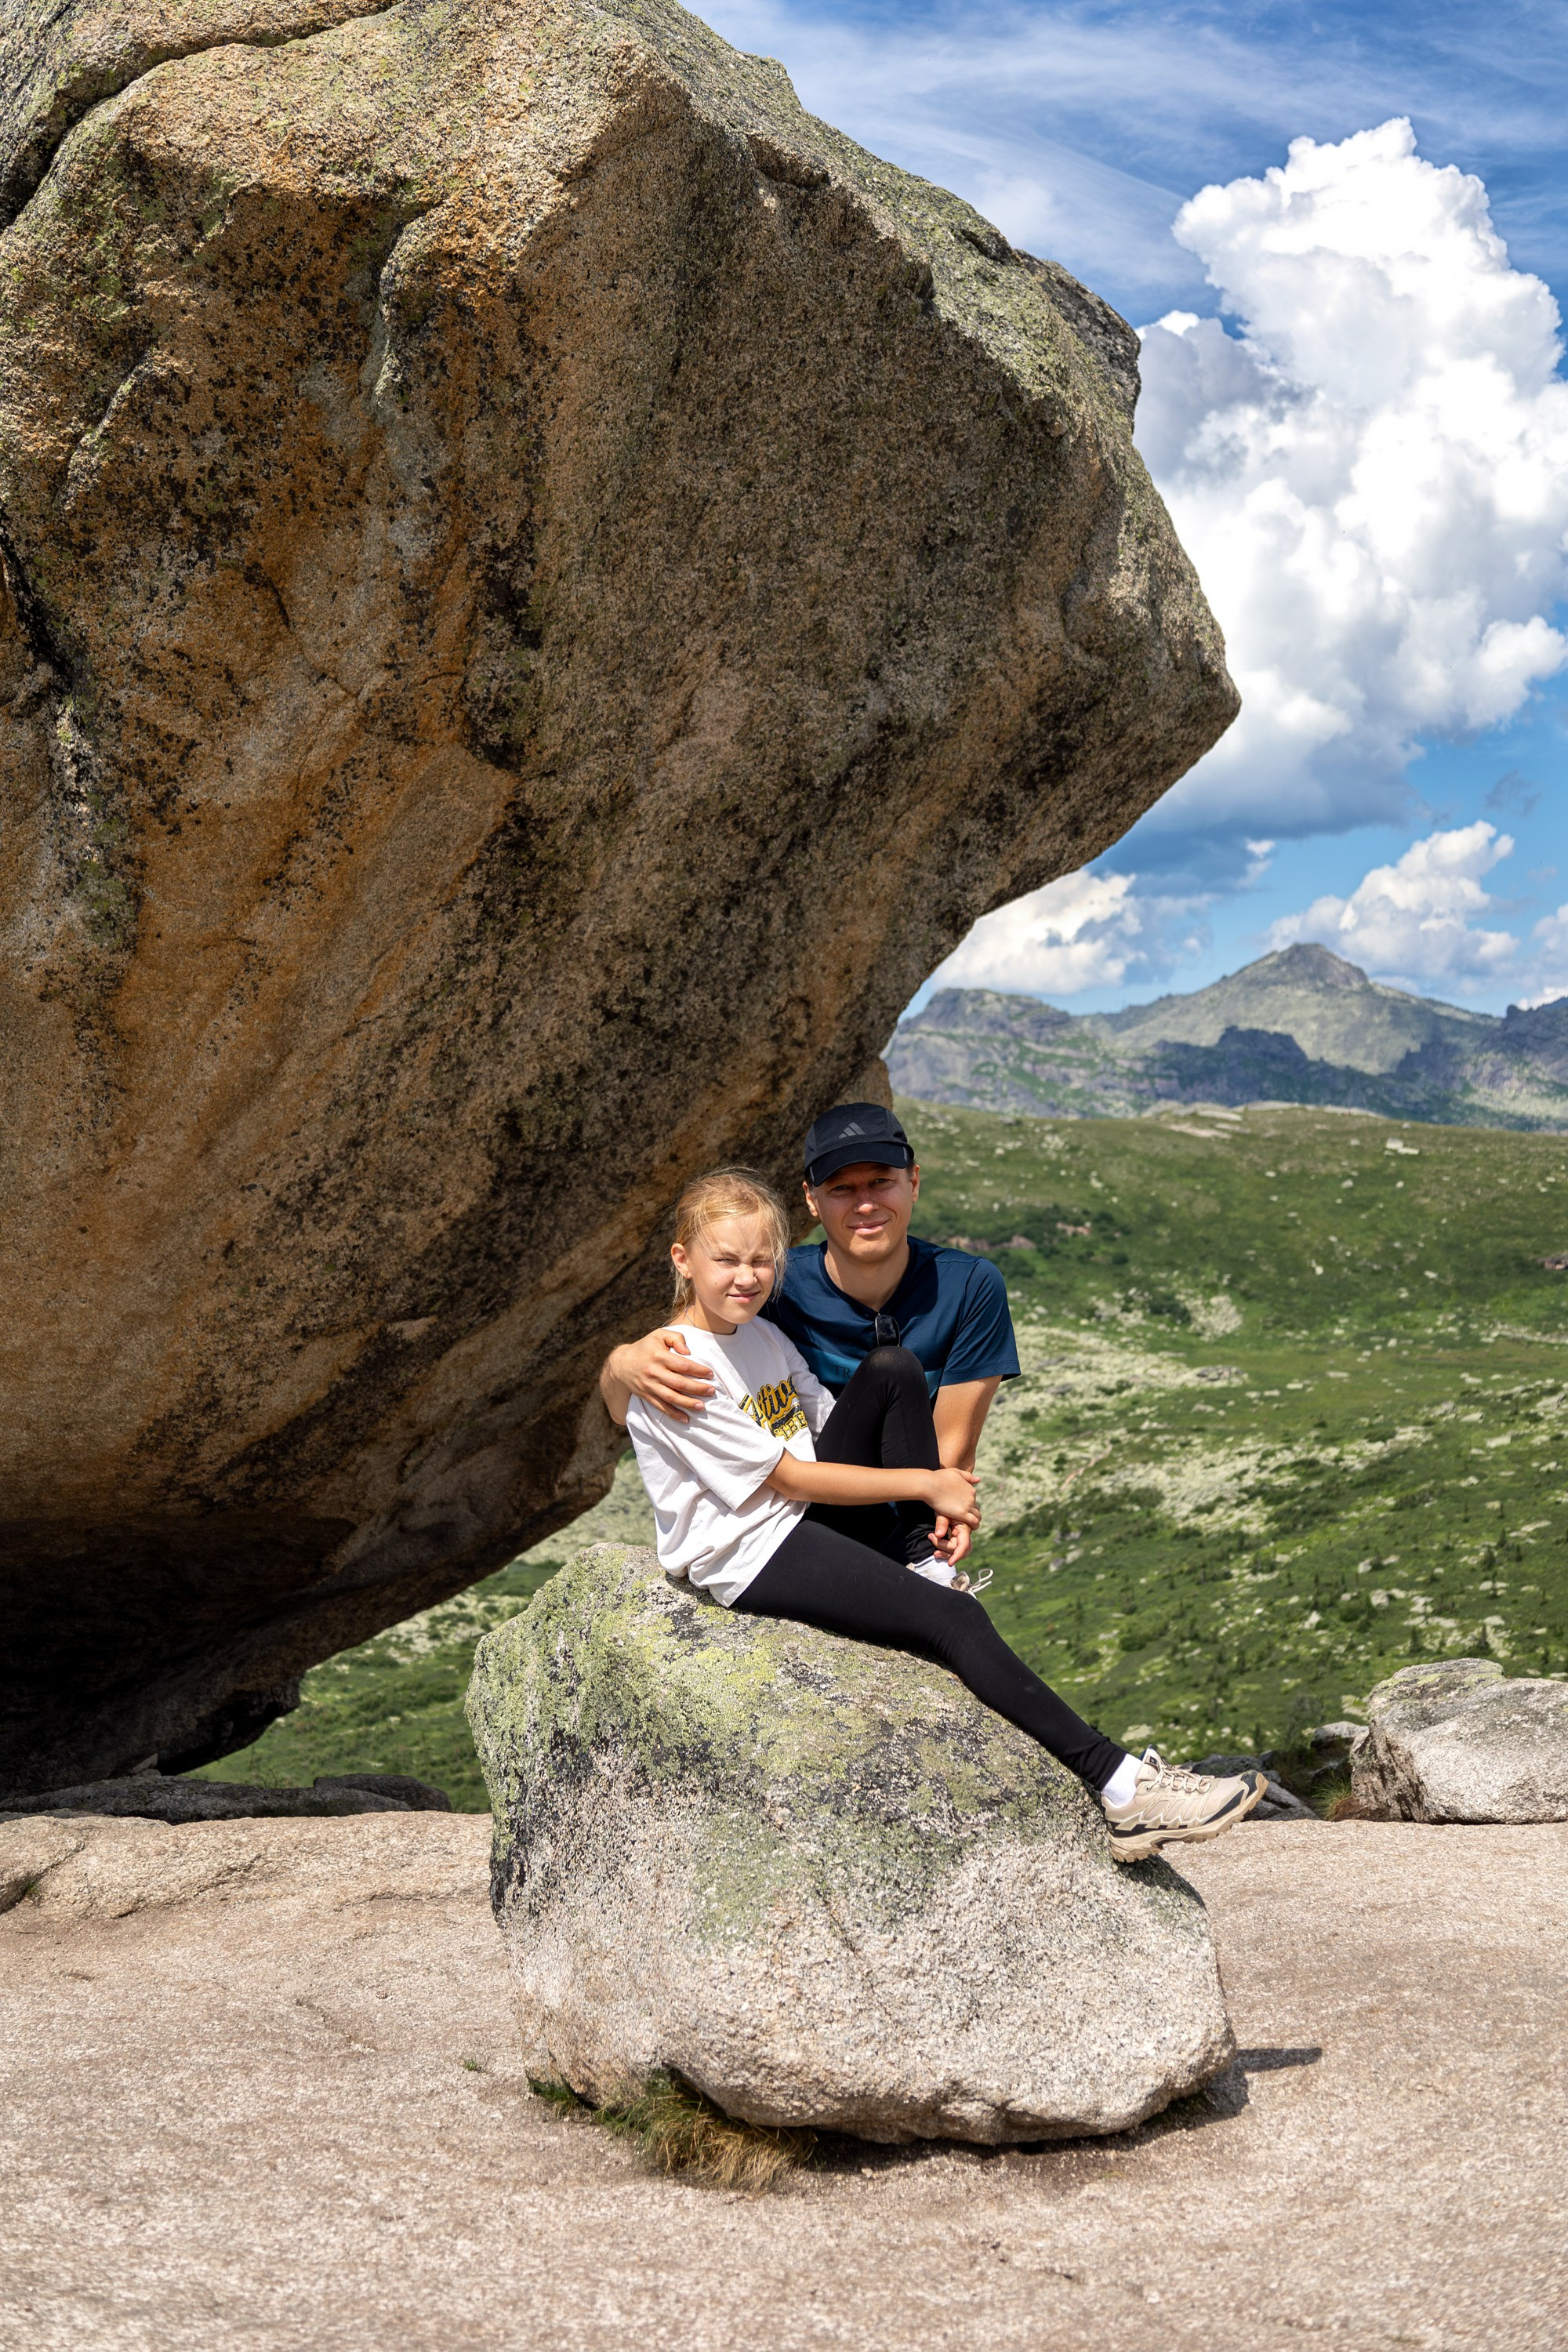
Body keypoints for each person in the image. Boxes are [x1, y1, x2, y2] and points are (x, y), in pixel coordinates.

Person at [622, 1164, 1265, 1862]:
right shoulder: (679, 1367)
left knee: (893, 1368)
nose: (747, 1277)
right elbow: (791, 1476)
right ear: (683, 1260)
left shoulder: (761, 1335)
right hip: (750, 1550)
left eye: (761, 1260)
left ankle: (919, 1561)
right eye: (727, 1260)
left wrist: (915, 1480)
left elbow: (831, 1418)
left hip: (798, 1516)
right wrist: (929, 1483)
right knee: (955, 1624)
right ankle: (1123, 1790)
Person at [601, 1102, 1018, 1571]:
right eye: (842, 1189)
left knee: (893, 1369)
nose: (865, 1204)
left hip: (905, 1515)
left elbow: (949, 1452)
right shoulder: (774, 1287)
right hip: (800, 1512)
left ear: (913, 1183)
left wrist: (938, 1510)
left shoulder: (970, 1286)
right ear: (812, 1200)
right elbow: (637, 1394)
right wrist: (623, 1363)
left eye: (881, 1181)